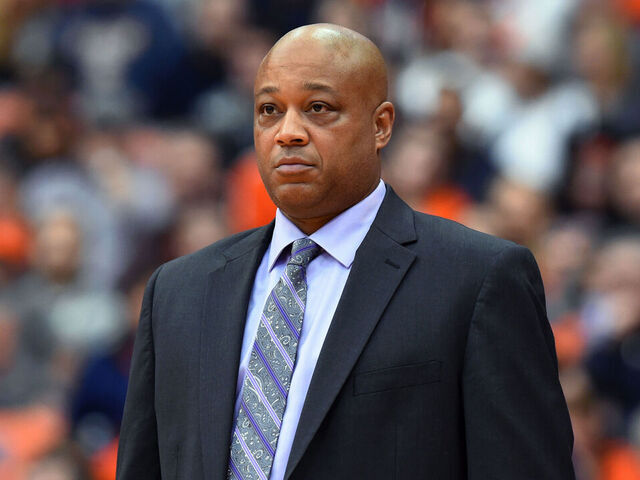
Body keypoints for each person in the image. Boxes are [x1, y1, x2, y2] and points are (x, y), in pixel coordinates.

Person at [116, 24, 575, 480]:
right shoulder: (177, 291)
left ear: (381, 126)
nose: (287, 133)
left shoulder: (478, 279)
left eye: (318, 108)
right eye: (269, 110)